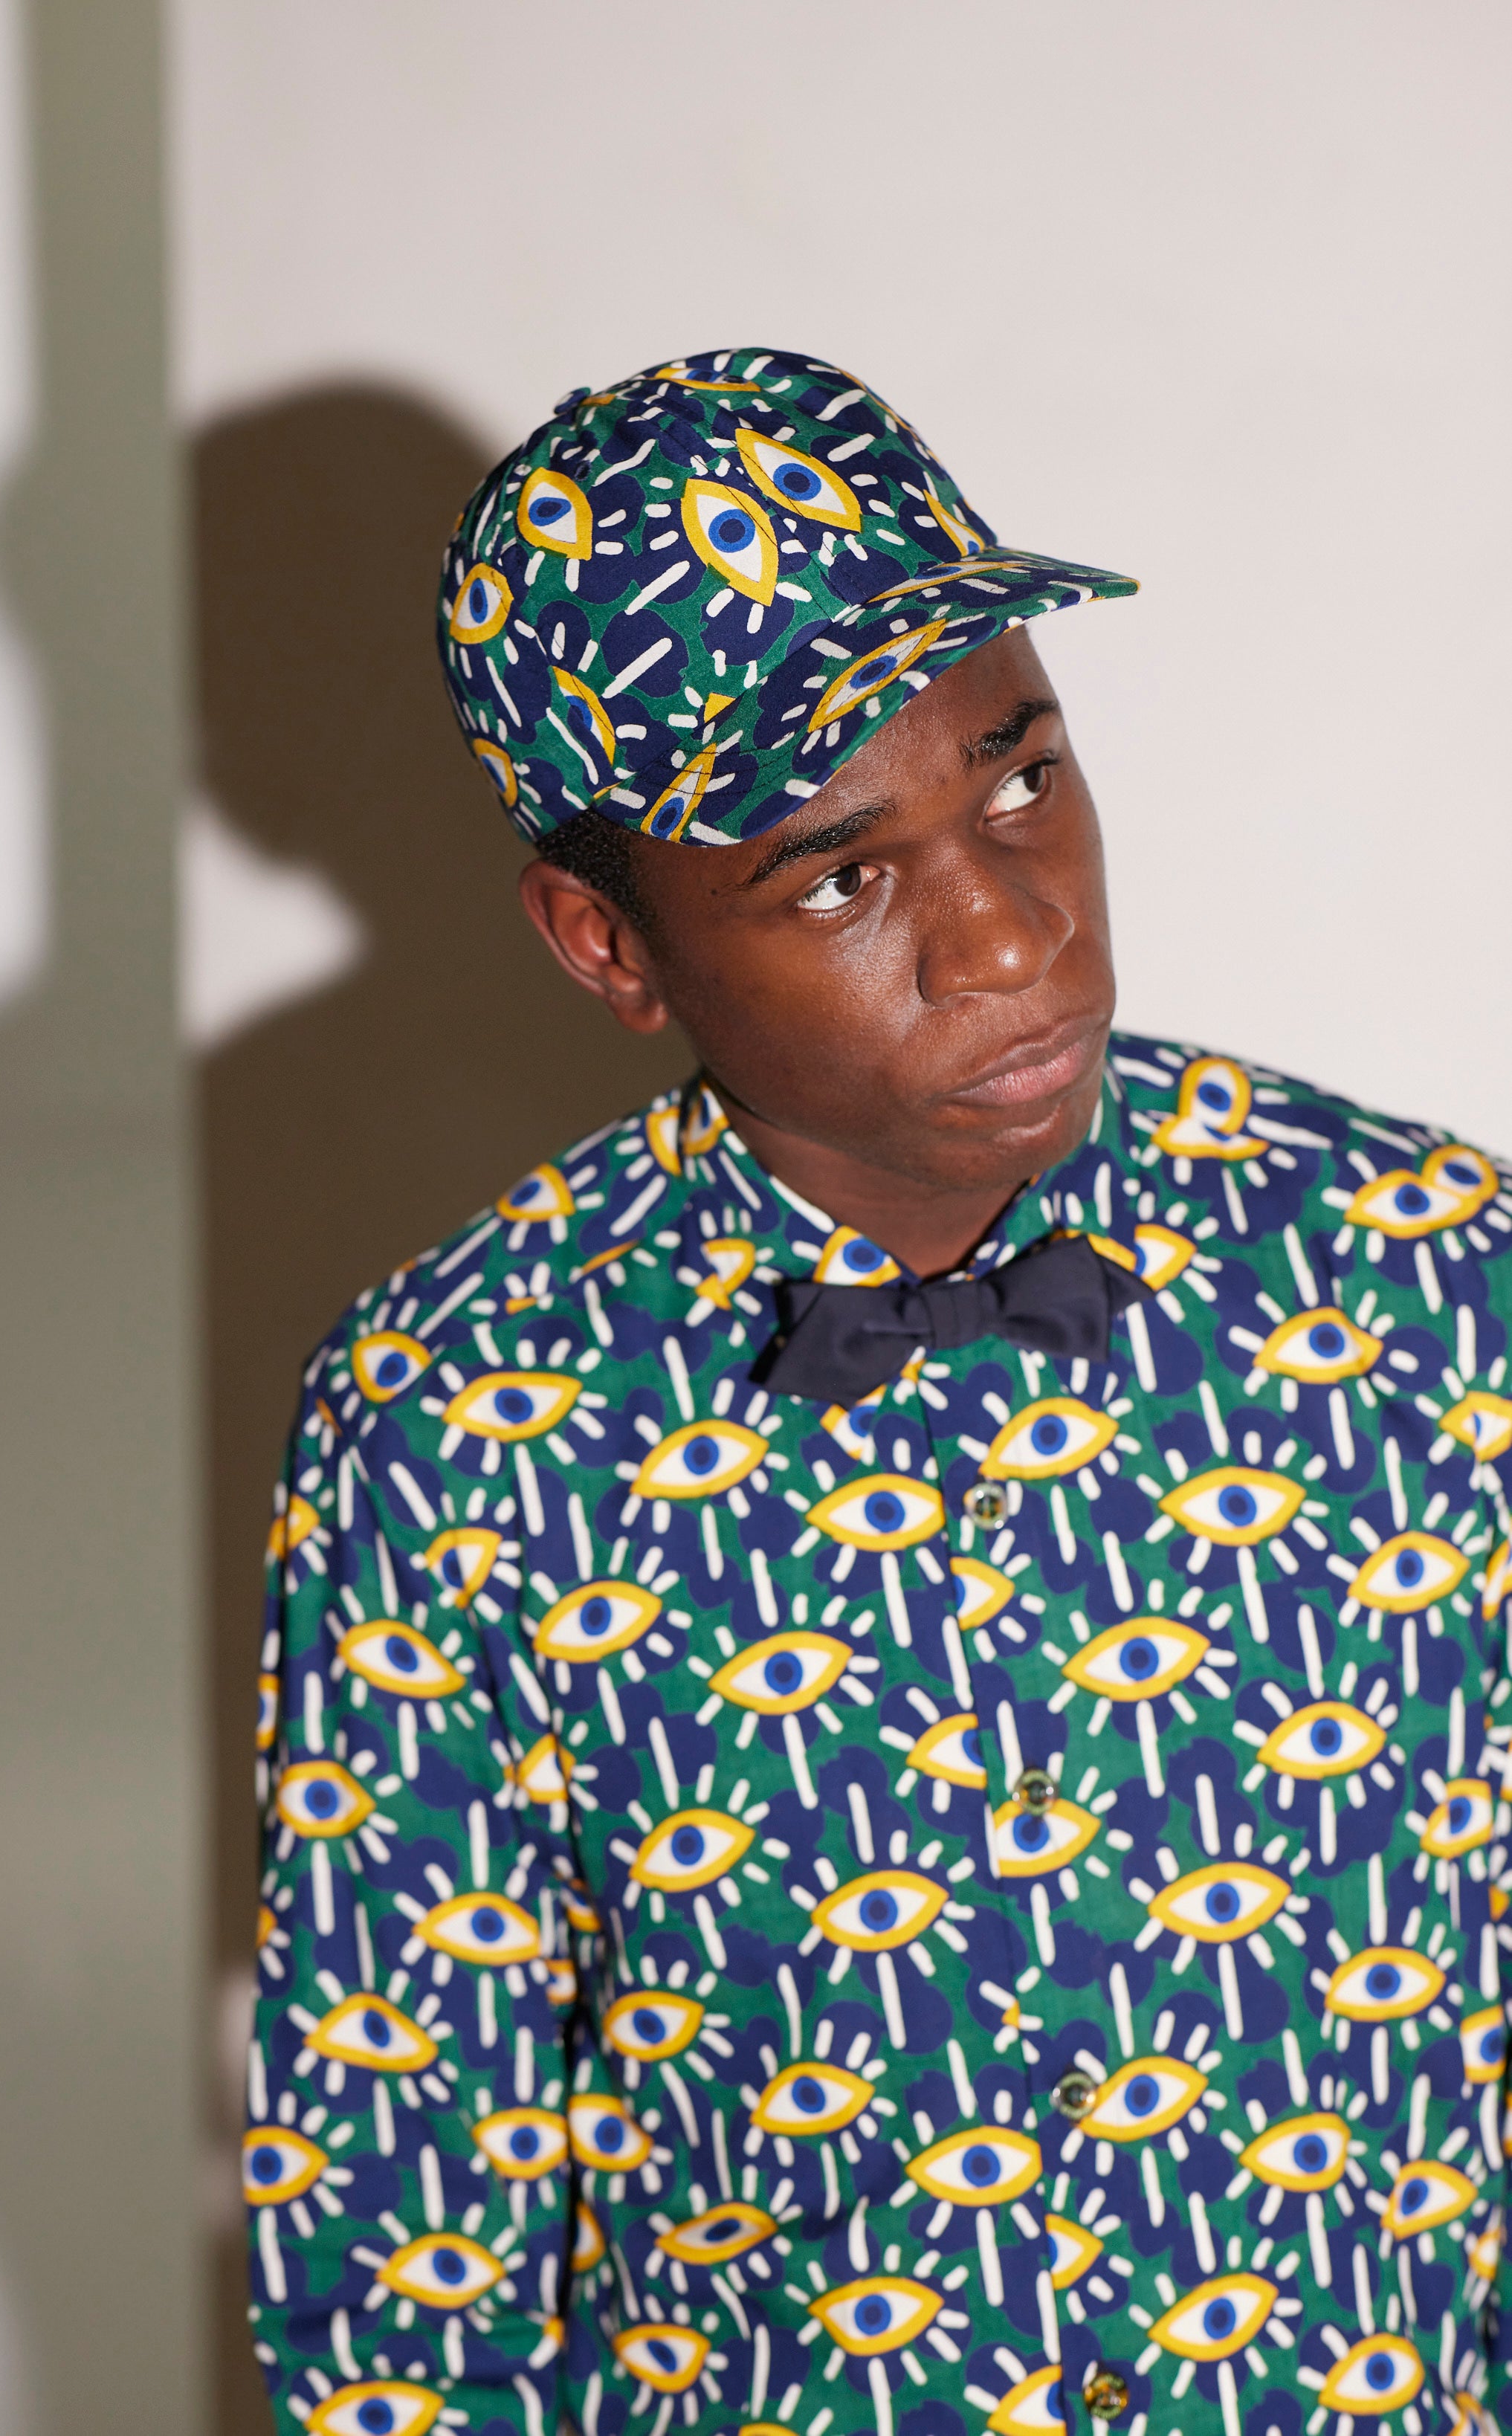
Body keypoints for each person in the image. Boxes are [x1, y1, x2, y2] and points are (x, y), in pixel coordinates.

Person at [244, 348, 1511, 2436]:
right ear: (607, 945)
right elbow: (407, 2262)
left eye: (1020, 782)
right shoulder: (452, 1420)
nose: (1009, 935)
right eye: (839, 876)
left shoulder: (1439, 1287)